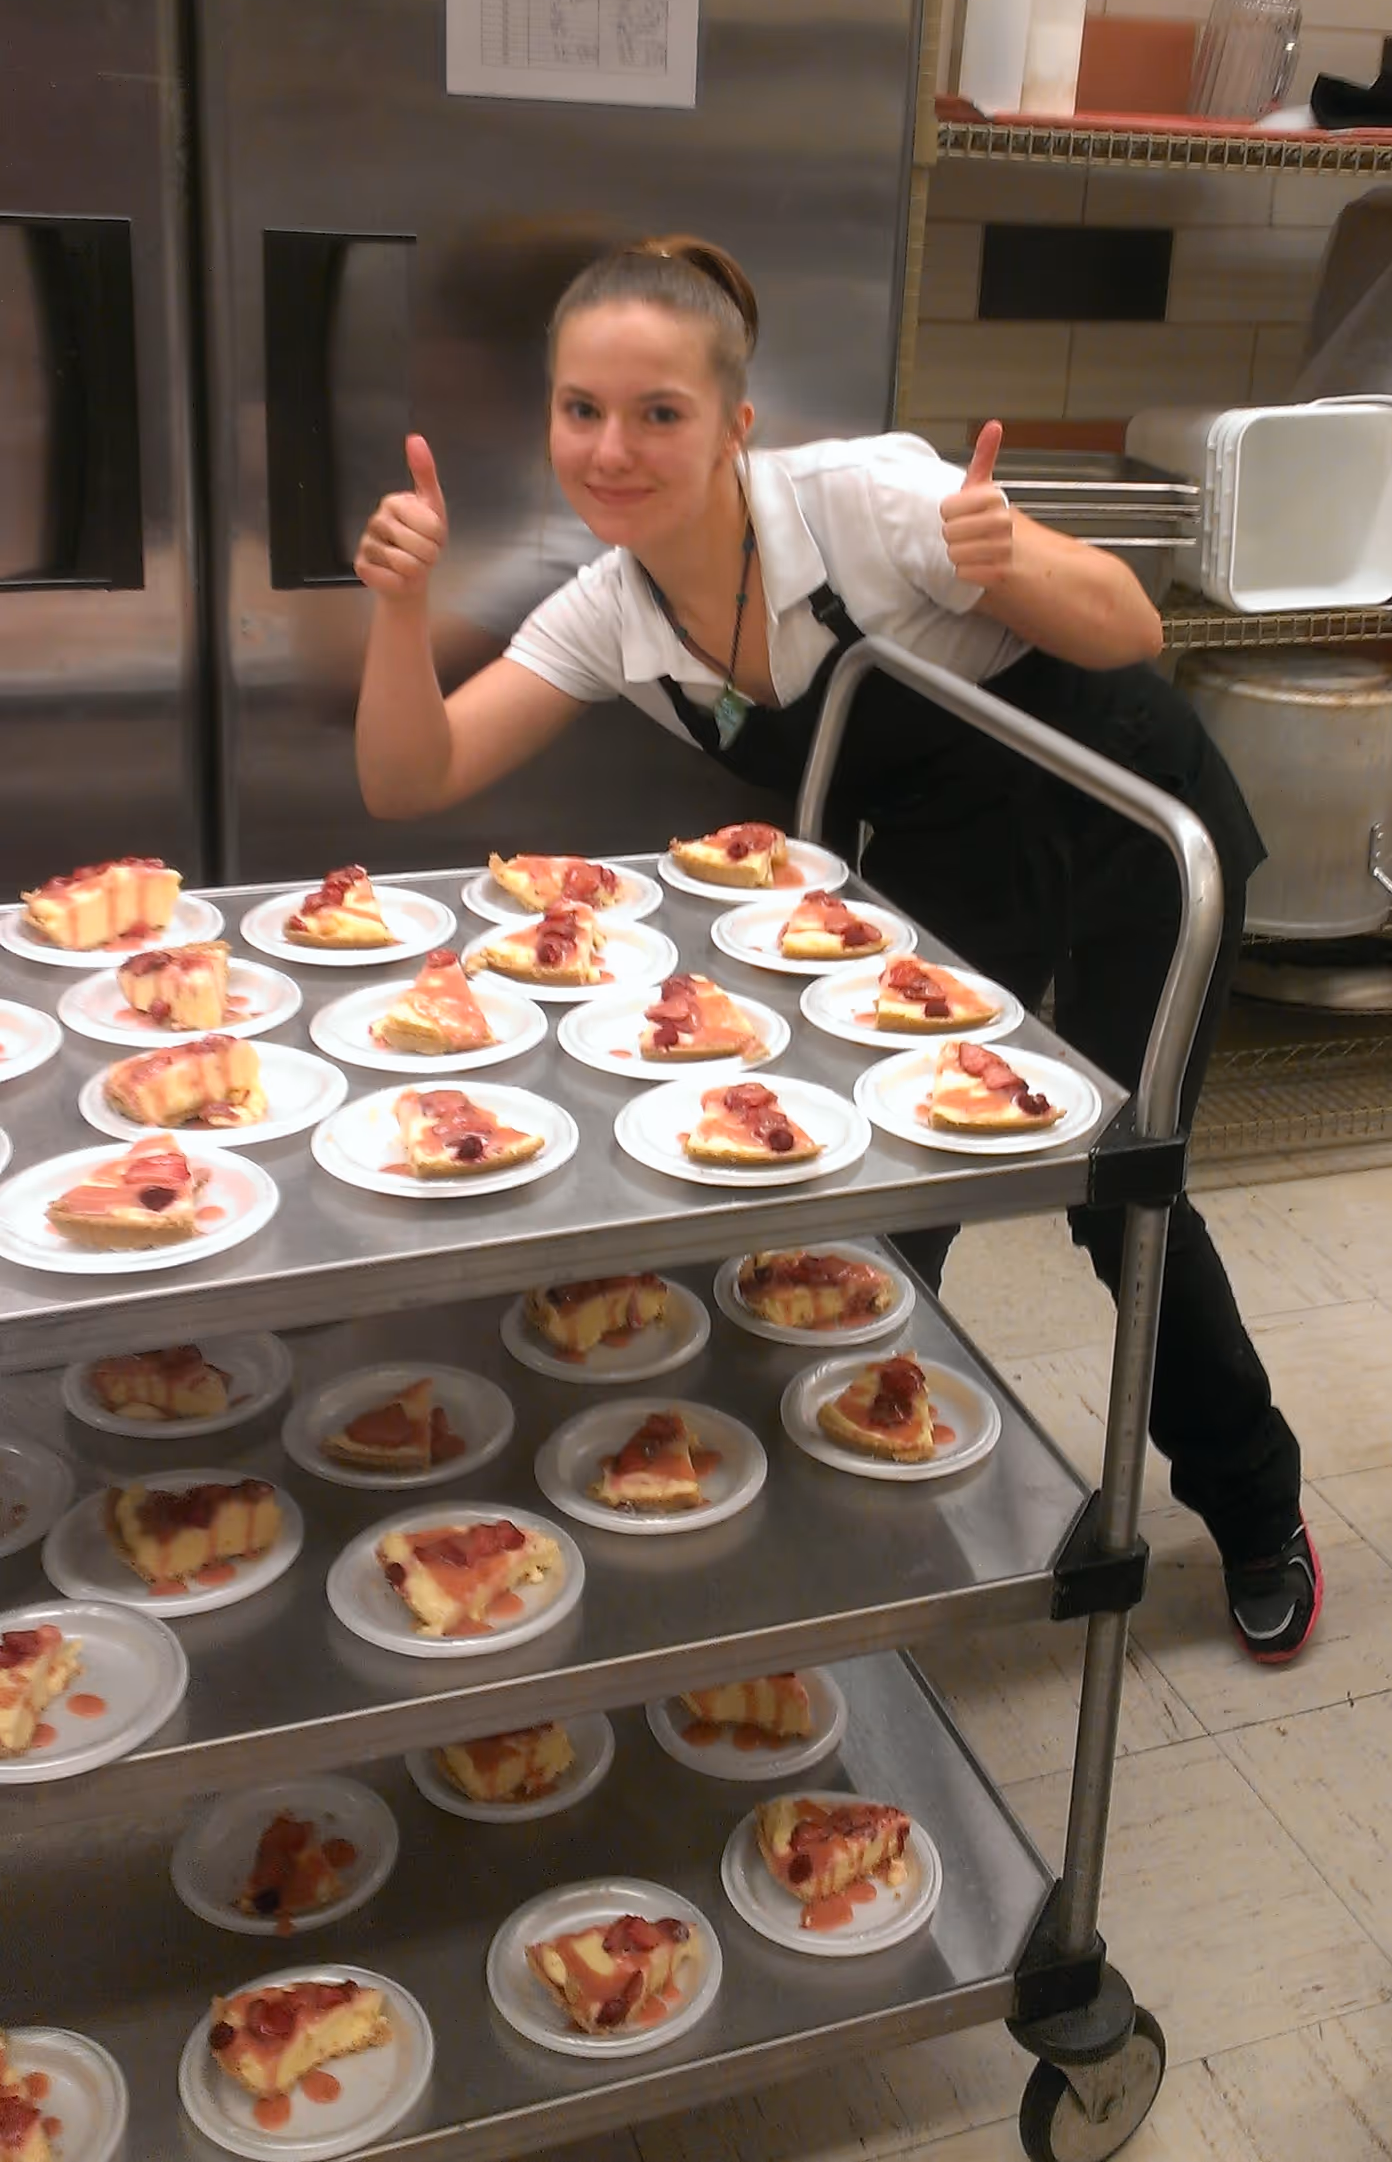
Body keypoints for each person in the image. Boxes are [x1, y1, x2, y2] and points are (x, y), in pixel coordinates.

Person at [353, 233, 1322, 1663]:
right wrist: (394, 612)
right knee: (878, 1192)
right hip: (947, 864)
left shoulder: (869, 498)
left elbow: (1129, 626)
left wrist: (1008, 562)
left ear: (737, 421)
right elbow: (411, 779)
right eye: (582, 411)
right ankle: (833, 1510)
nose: (613, 449)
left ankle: (1255, 1509)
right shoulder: (611, 609)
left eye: (659, 413)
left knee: (1123, 1201)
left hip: (1123, 821)